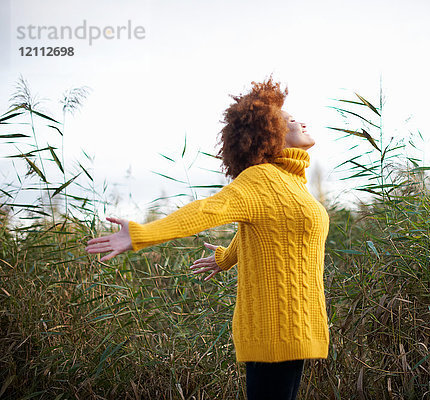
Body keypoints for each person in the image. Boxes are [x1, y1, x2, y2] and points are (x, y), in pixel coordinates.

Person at [85, 76, 330, 400]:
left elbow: (271, 228)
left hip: (300, 323)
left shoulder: (292, 183)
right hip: (274, 328)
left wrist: (225, 257)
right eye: (288, 120)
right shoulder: (260, 178)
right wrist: (142, 233)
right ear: (269, 135)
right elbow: (206, 210)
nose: (299, 120)